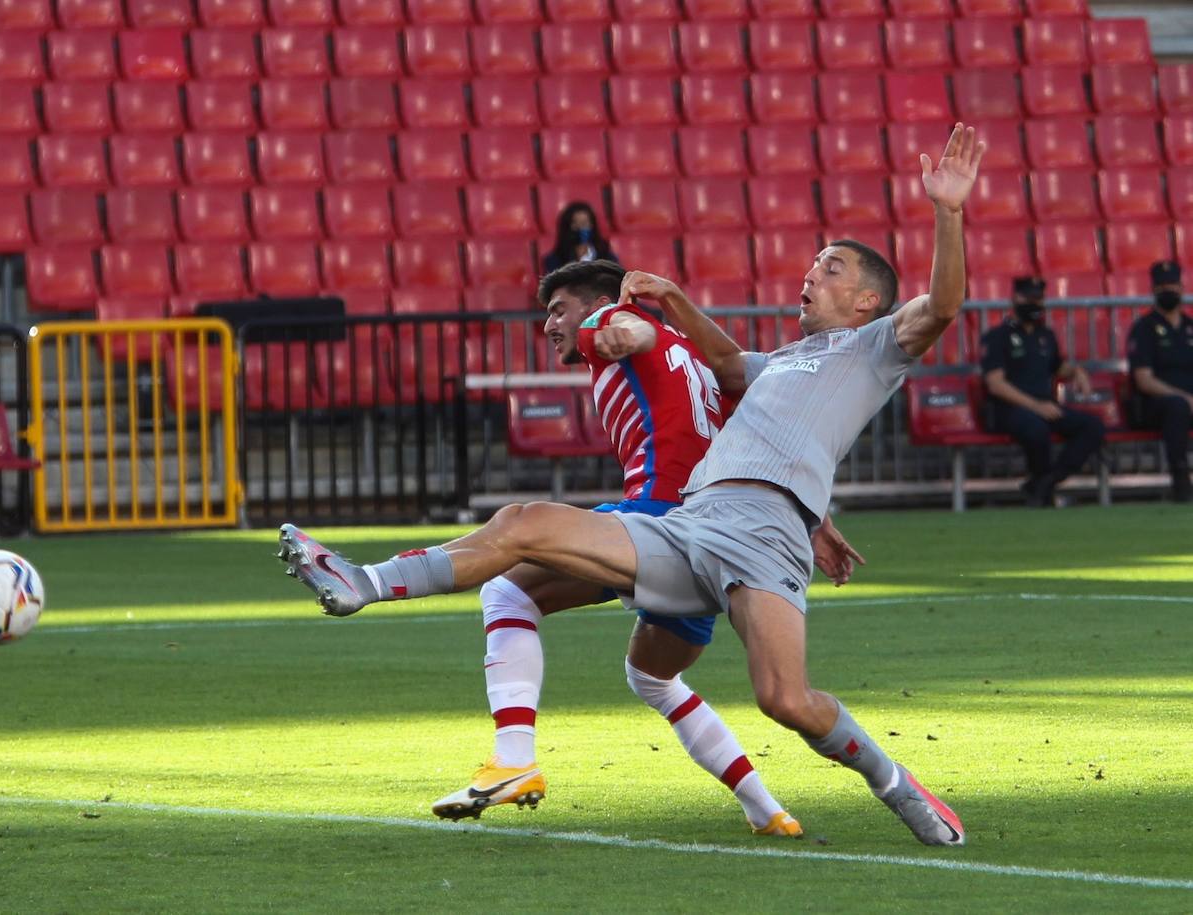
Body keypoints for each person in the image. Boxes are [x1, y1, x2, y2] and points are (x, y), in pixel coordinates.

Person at [281, 124, 985, 847]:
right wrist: (675, 299)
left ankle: (891, 780)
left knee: (785, 699)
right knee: (524, 521)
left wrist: (949, 213)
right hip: (690, 521)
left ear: (868, 301)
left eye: (831, 267)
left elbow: (943, 305)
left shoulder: (872, 350)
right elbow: (723, 361)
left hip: (765, 534)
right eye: (812, 263)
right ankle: (362, 582)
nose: (811, 273)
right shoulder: (782, 361)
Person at [426, 259, 861, 834]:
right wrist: (814, 518)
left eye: (558, 310)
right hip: (722, 542)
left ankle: (512, 758)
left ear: (597, 302)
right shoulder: (703, 362)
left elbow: (630, 328)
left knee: (507, 591)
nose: (550, 325)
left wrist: (627, 328)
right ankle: (768, 810)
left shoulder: (615, 320)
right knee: (654, 677)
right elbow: (758, 445)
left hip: (657, 524)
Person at [980, 276, 1105, 507]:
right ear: (1015, 298)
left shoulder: (1044, 336)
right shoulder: (997, 337)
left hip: (1045, 405)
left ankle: (1047, 481)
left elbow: (1058, 367)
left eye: (1039, 298)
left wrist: (1078, 372)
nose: (1035, 303)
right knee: (1036, 429)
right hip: (1009, 409)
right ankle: (1042, 491)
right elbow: (995, 384)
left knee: (1092, 426)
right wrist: (1036, 406)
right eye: (1029, 298)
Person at [1126, 260, 1193, 502]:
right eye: (1163, 286)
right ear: (1153, 290)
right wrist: (1184, 398)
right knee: (1177, 407)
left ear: (1182, 287)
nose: (1169, 290)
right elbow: (1144, 380)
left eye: (1173, 285)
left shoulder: (1189, 326)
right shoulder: (1144, 328)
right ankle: (1181, 478)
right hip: (1156, 404)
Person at [541, 201, 618, 274]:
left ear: (592, 225)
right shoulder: (554, 260)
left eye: (584, 223)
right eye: (575, 224)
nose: (580, 228)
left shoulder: (606, 255)